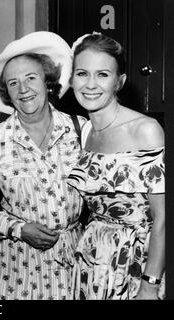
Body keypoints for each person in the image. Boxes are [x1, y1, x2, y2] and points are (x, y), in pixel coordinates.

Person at [0, 31, 86, 300]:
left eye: (31, 78)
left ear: (48, 82)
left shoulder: (80, 129)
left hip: (72, 265)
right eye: (13, 83)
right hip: (13, 270)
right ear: (7, 93)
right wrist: (19, 229)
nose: (23, 89)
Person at [67, 32, 165, 300]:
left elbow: (163, 220)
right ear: (71, 79)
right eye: (82, 73)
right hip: (90, 264)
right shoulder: (85, 132)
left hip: (135, 266)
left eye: (102, 74)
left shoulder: (145, 130)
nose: (90, 84)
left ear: (119, 82)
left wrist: (150, 285)